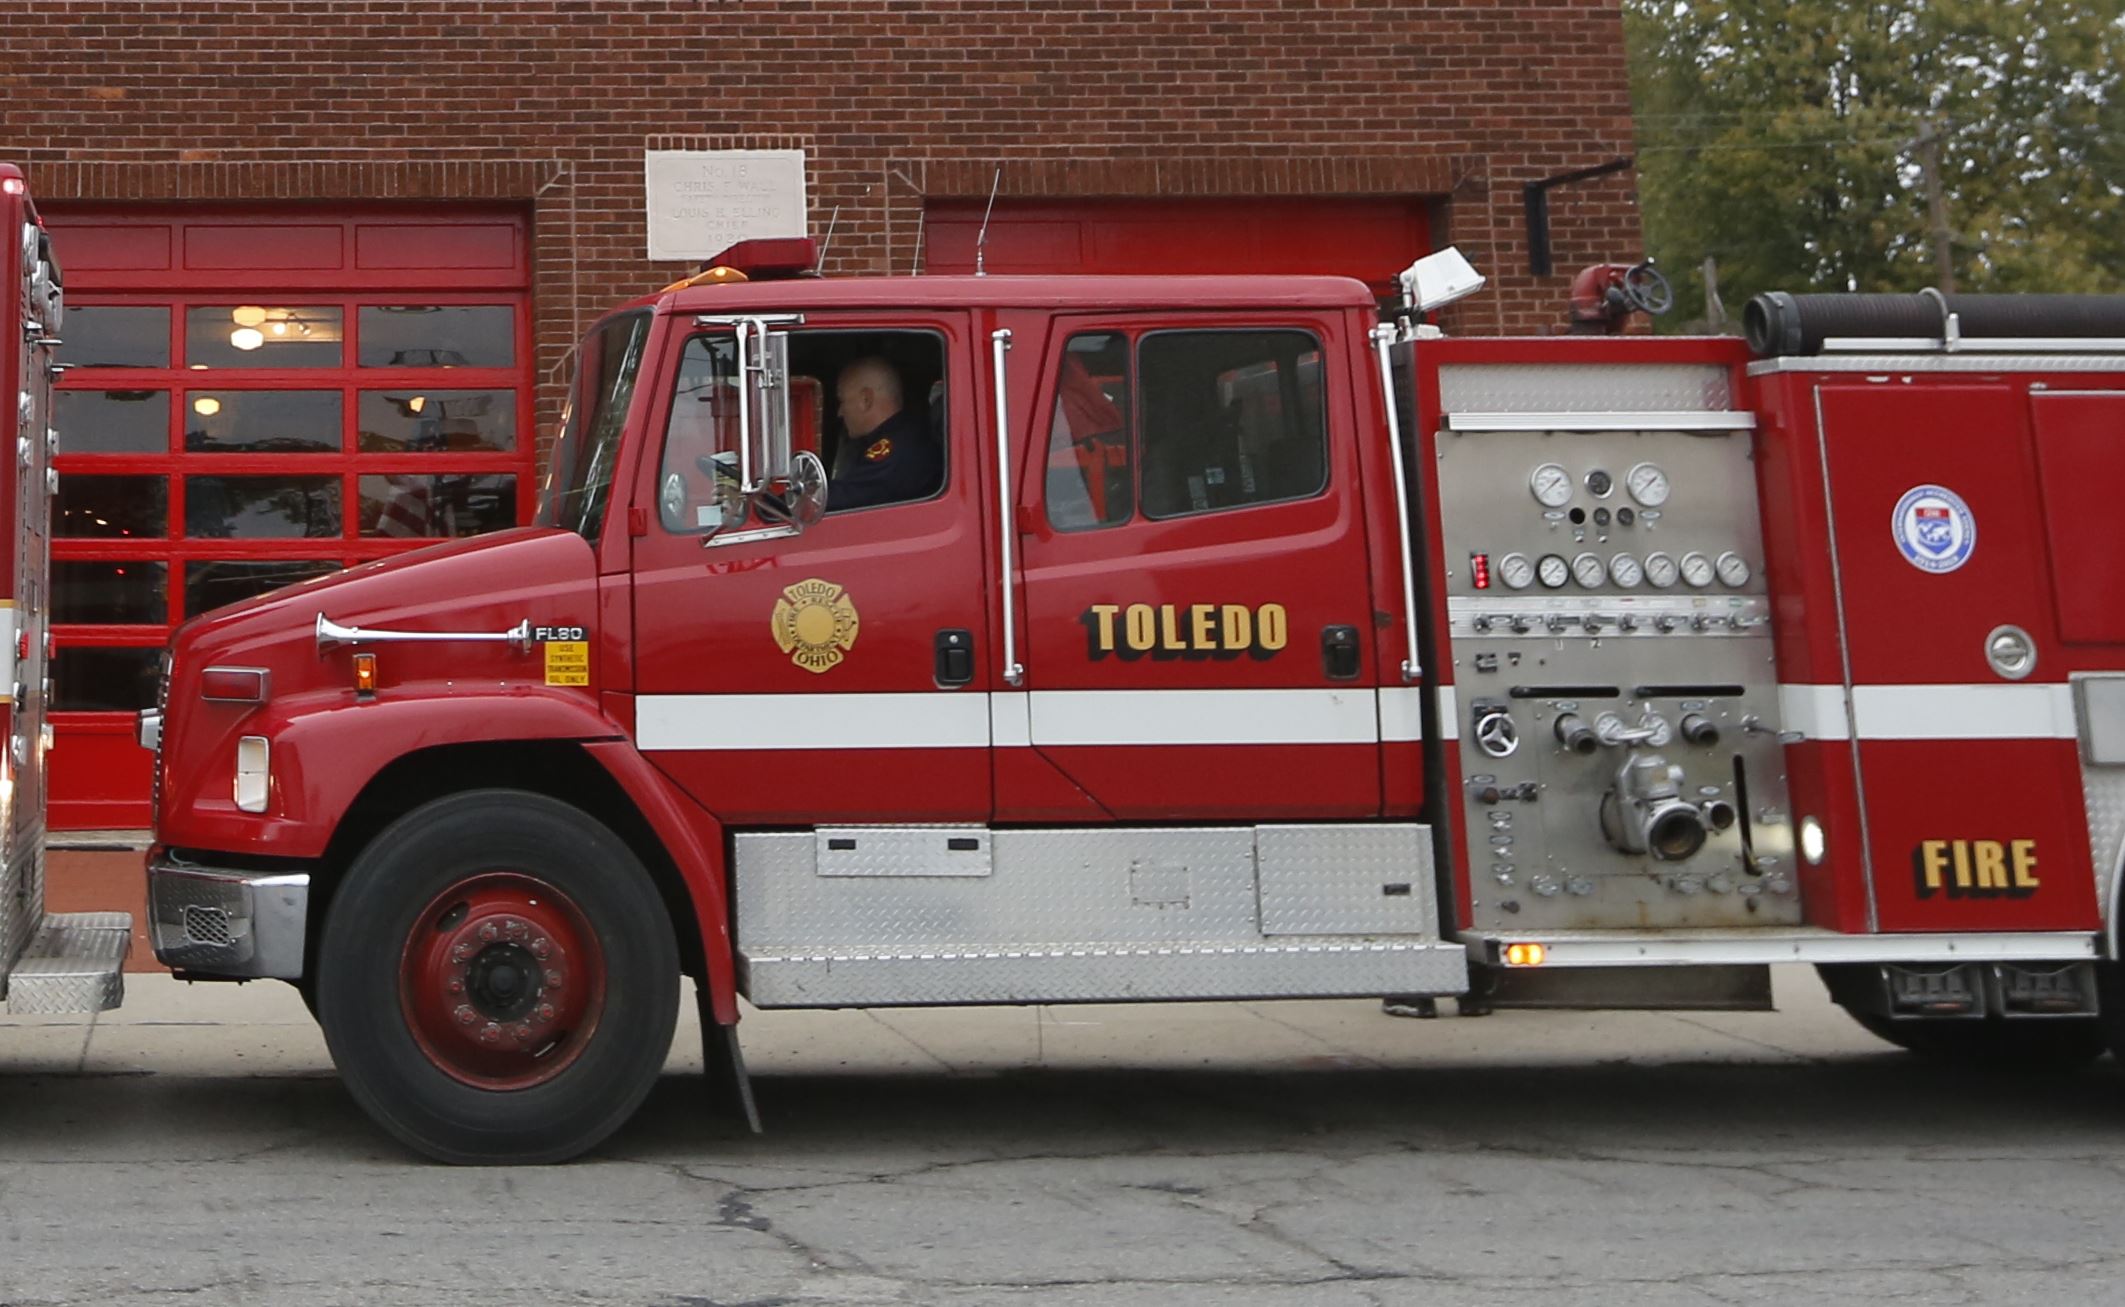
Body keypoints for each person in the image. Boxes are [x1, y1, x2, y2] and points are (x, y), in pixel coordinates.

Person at [828, 356, 941, 511]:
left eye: (842, 401)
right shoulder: (900, 435)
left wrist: (795, 503)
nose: (840, 413)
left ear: (866, 400)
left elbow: (847, 497)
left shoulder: (899, 449)